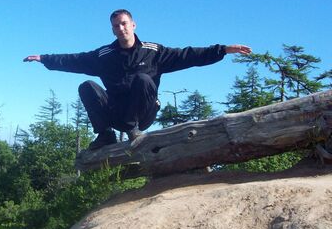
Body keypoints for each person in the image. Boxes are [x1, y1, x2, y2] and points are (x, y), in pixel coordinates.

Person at [24, 9, 251, 150]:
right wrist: (44, 58)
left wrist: (223, 50)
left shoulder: (153, 52)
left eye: (124, 23)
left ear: (133, 25)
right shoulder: (104, 56)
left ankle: (133, 130)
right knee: (87, 87)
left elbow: (188, 55)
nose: (121, 28)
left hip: (143, 115)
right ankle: (105, 135)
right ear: (113, 30)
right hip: (116, 113)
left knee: (143, 79)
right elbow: (74, 60)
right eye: (116, 25)